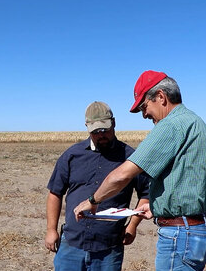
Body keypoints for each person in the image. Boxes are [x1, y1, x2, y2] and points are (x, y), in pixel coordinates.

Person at [74, 71, 206, 271]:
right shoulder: (195, 122)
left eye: (144, 106)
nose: (144, 114)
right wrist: (158, 208)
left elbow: (122, 174)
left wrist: (92, 201)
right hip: (196, 229)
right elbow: (190, 180)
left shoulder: (171, 125)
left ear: (161, 97)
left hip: (181, 235)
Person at [45, 101, 149, 271]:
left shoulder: (130, 157)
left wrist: (132, 226)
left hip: (109, 247)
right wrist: (51, 230)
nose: (101, 135)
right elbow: (55, 193)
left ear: (114, 123)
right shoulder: (72, 155)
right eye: (96, 131)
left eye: (105, 130)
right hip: (71, 243)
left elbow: (146, 193)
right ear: (86, 127)